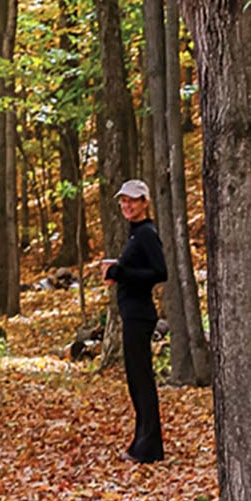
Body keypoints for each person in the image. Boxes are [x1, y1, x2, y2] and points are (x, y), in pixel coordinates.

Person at [100, 179, 168, 464]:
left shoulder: (146, 234)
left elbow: (159, 272)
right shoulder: (135, 234)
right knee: (136, 382)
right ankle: (141, 442)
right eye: (124, 201)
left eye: (133, 200)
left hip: (140, 316)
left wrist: (121, 272)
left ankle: (148, 448)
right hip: (132, 314)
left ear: (144, 203)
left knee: (142, 381)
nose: (127, 205)